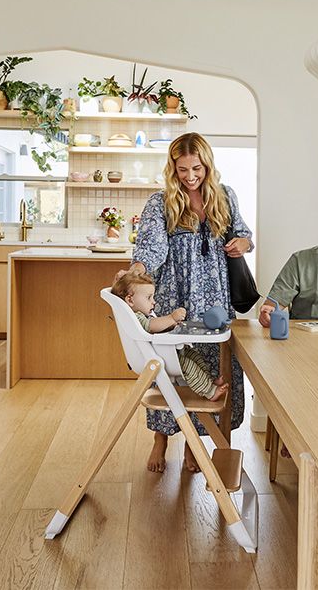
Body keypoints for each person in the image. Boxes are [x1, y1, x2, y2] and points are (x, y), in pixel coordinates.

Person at [128, 132, 253, 473]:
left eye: (196, 168)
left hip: (215, 297)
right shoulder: (161, 202)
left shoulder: (225, 196)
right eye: (182, 169)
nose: (190, 176)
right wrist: (137, 270)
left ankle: (193, 443)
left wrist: (243, 244)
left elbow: (243, 234)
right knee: (172, 368)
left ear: (207, 165)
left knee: (209, 370)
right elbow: (151, 247)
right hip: (175, 295)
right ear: (173, 168)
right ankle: (160, 439)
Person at [112, 270, 229, 402]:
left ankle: (208, 382)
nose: (153, 302)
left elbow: (153, 328)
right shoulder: (135, 317)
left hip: (161, 353)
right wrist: (171, 318)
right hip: (155, 358)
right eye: (148, 297)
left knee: (193, 354)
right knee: (187, 364)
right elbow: (150, 326)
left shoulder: (139, 314)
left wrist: (170, 326)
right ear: (130, 299)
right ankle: (209, 392)